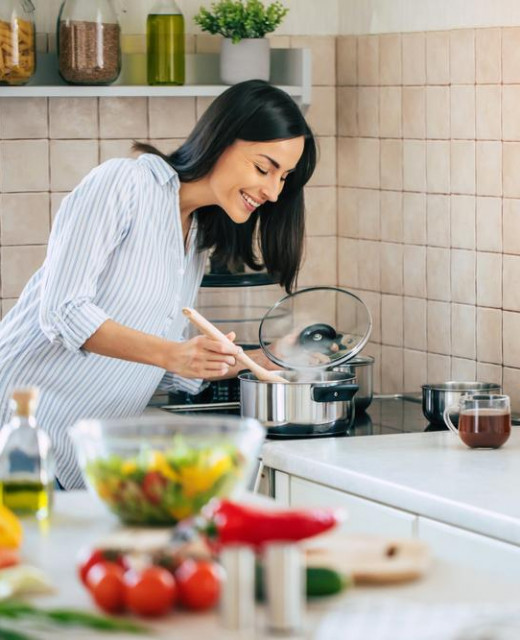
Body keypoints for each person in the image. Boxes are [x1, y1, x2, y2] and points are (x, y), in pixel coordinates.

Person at [0, 80, 317, 489]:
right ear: (221, 140)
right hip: (16, 438)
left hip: (76, 459)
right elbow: (63, 312)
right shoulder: (125, 184)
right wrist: (173, 354)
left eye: (284, 178)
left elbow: (163, 369)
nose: (273, 192)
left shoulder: (196, 238)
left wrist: (269, 358)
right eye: (263, 168)